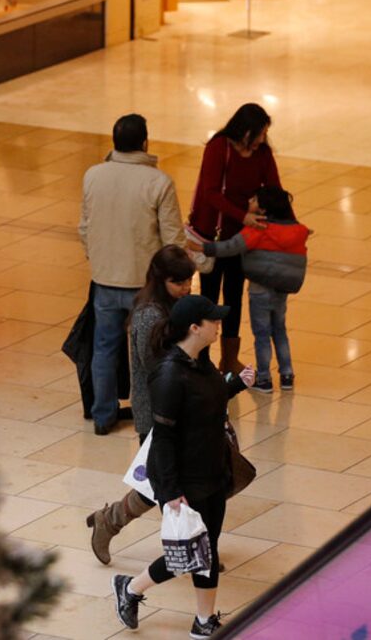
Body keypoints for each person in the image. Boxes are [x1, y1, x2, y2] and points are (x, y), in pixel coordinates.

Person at [112, 295, 255, 639]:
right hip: (184, 481)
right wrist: (171, 490)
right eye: (213, 321)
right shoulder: (169, 374)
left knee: (206, 549)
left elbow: (208, 399)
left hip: (212, 472)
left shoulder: (201, 363)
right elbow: (162, 438)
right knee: (191, 552)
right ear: (195, 328)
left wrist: (235, 384)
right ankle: (131, 588)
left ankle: (203, 621)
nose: (218, 325)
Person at [86, 246, 196, 565]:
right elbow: (158, 367)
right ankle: (189, 547)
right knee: (166, 485)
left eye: (189, 280)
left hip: (177, 408)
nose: (187, 287)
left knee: (167, 482)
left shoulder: (173, 306)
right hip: (159, 413)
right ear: (162, 279)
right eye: (180, 281)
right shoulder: (151, 314)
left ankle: (111, 521)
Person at [79, 114, 186, 436]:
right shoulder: (158, 182)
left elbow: (85, 227)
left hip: (104, 279)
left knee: (104, 349)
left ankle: (102, 416)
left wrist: (97, 259)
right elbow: (172, 239)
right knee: (148, 355)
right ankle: (154, 415)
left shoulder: (92, 175)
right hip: (145, 285)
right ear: (145, 142)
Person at [188, 103, 281, 375]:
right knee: (208, 296)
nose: (264, 139)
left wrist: (289, 224)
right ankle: (201, 357)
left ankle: (229, 359)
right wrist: (243, 216)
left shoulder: (262, 154)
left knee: (233, 297)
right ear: (246, 131)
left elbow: (275, 190)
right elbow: (211, 192)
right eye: (261, 133)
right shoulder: (219, 148)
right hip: (214, 235)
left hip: (242, 239)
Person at [199, 186, 307, 393]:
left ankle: (264, 379)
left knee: (262, 334)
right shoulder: (297, 230)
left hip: (260, 289)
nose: (250, 200)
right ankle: (286, 375)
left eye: (255, 199)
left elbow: (230, 247)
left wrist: (202, 248)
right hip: (281, 291)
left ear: (263, 210)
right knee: (280, 331)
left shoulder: (258, 228)